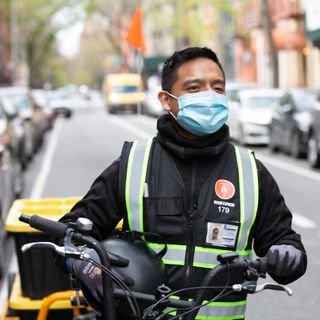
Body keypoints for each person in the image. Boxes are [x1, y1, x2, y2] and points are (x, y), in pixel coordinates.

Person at [58, 47, 307, 319]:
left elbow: (285, 242)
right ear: (167, 100)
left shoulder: (250, 171)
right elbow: (70, 233)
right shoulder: (133, 164)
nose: (209, 96)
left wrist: (288, 255)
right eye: (194, 88)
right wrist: (86, 263)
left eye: (217, 88)